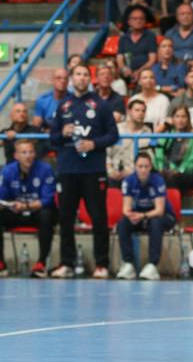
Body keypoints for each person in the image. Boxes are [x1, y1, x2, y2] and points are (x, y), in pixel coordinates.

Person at [49, 65, 118, 279]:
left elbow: (113, 135)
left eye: (85, 74)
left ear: (91, 79)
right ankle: (67, 263)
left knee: (98, 217)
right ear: (71, 78)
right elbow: (53, 139)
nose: (81, 78)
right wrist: (62, 132)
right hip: (68, 170)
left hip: (93, 170)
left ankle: (102, 264)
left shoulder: (100, 105)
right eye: (78, 74)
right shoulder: (63, 105)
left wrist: (93, 144)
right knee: (66, 217)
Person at [115, 153, 177, 281]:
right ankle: (128, 264)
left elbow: (159, 210)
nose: (143, 170)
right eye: (140, 166)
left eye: (146, 166)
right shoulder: (128, 181)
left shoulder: (158, 180)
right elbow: (125, 209)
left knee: (156, 222)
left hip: (163, 216)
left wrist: (142, 215)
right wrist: (132, 215)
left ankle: (152, 265)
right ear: (135, 167)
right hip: (140, 216)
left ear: (150, 167)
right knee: (123, 223)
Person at [0, 140, 56, 278]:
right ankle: (1, 264)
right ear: (16, 155)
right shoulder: (8, 171)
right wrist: (8, 204)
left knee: (46, 215)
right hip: (15, 213)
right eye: (24, 152)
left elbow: (47, 200)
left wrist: (25, 206)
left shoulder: (45, 170)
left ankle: (41, 264)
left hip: (37, 214)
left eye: (31, 152)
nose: (28, 156)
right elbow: (2, 197)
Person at [154, 105, 193, 196]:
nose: (180, 120)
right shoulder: (166, 135)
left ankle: (171, 206)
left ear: (188, 119)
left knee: (174, 179)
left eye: (183, 117)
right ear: (173, 118)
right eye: (177, 116)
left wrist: (179, 170)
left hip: (186, 173)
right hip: (166, 171)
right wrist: (161, 169)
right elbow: (158, 155)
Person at [107, 99, 153, 185]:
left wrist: (133, 171)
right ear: (129, 111)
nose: (141, 113)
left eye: (143, 111)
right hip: (113, 174)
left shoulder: (148, 132)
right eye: (137, 110)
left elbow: (149, 158)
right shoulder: (117, 129)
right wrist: (110, 171)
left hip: (137, 175)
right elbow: (107, 154)